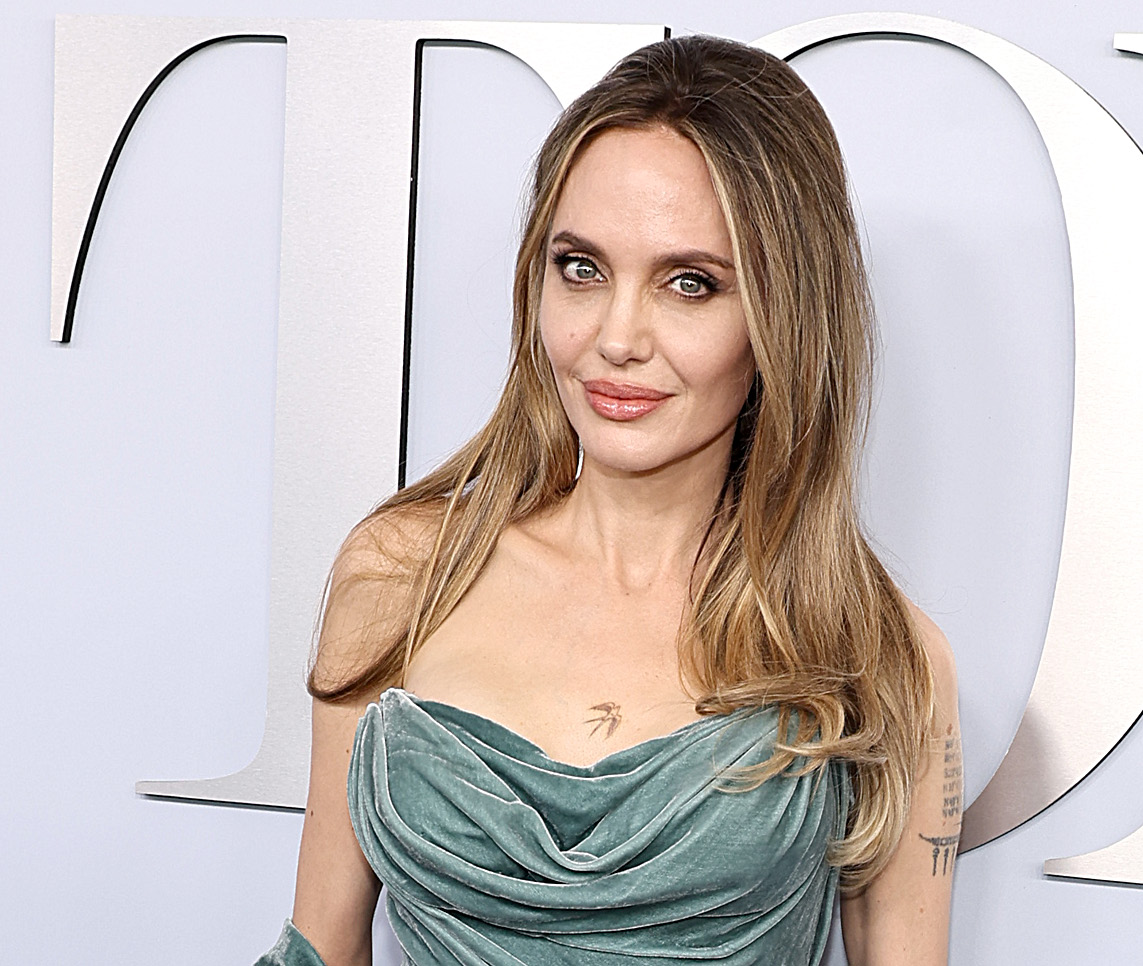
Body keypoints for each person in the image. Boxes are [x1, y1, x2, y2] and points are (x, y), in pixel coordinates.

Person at [256, 33, 960, 966]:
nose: (616, 338)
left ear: (782, 316)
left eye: (689, 284)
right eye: (581, 268)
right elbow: (321, 946)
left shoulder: (876, 652)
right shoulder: (398, 574)